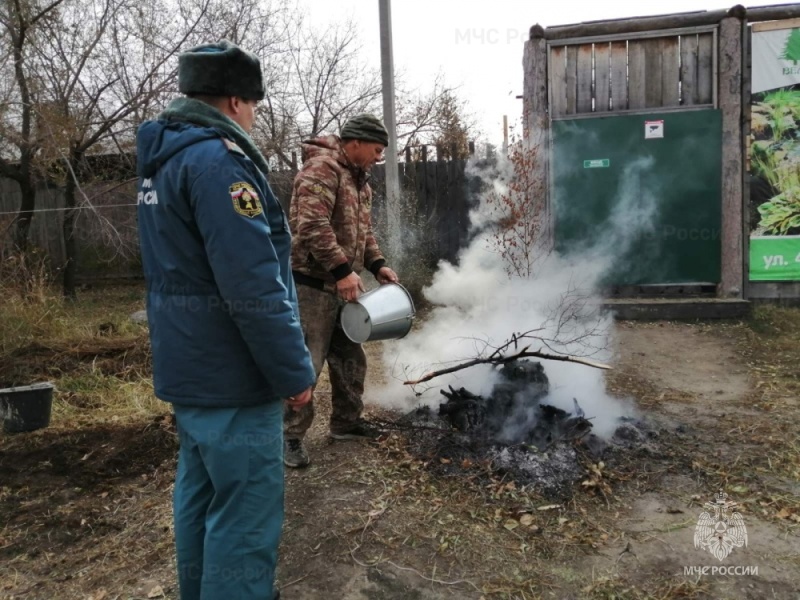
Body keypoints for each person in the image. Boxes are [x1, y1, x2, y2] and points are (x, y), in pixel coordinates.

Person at [136, 39, 314, 600]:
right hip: (232, 377)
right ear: (237, 101)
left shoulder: (164, 160)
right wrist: (293, 373)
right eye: (255, 106)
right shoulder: (219, 162)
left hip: (189, 370)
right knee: (245, 513)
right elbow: (253, 285)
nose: (255, 116)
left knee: (200, 497)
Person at [284, 113, 399, 468]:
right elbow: (311, 225)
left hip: (341, 287)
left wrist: (378, 264)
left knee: (351, 358)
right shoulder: (322, 169)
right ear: (356, 143)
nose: (379, 157)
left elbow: (363, 234)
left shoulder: (360, 183)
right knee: (305, 366)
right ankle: (288, 437)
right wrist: (341, 271)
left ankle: (346, 424)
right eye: (377, 149)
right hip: (312, 286)